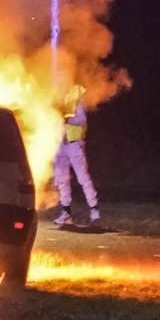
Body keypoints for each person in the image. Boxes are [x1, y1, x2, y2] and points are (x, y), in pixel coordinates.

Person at [53, 84, 100, 227]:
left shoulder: (76, 98)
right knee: (62, 178)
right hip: (61, 144)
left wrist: (64, 118)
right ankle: (66, 212)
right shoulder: (55, 98)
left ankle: (94, 210)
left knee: (83, 177)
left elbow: (80, 120)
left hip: (74, 144)